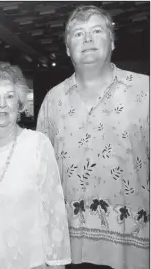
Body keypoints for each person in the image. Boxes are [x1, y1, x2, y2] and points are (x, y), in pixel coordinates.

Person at [37, 5, 149, 269]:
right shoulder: (52, 101)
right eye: (78, 34)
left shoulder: (145, 91)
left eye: (97, 31)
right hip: (69, 250)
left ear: (112, 41)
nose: (87, 39)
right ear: (67, 49)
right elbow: (40, 177)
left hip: (133, 249)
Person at [0, 61, 71, 269]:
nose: (2, 104)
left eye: (10, 96)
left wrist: (56, 264)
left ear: (19, 104)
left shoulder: (37, 144)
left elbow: (54, 213)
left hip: (30, 262)